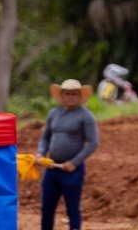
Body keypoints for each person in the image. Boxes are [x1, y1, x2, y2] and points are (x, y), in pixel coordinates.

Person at [38, 78, 100, 230]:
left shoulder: (86, 116)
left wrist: (75, 162)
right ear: (62, 95)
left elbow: (93, 143)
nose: (70, 97)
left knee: (72, 209)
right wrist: (41, 153)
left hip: (72, 171)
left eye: (74, 94)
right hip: (52, 168)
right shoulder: (53, 113)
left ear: (79, 96)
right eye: (67, 93)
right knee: (47, 208)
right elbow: (45, 137)